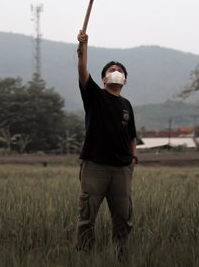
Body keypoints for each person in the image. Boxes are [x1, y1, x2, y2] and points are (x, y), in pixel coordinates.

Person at [75, 29, 138, 261]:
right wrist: (83, 46)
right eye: (111, 70)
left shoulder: (126, 104)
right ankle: (84, 257)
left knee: (123, 218)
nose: (116, 72)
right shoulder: (94, 96)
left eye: (120, 71)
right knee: (87, 216)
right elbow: (82, 70)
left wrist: (133, 160)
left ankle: (121, 257)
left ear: (125, 80)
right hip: (95, 167)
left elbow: (132, 136)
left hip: (122, 169)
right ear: (103, 79)